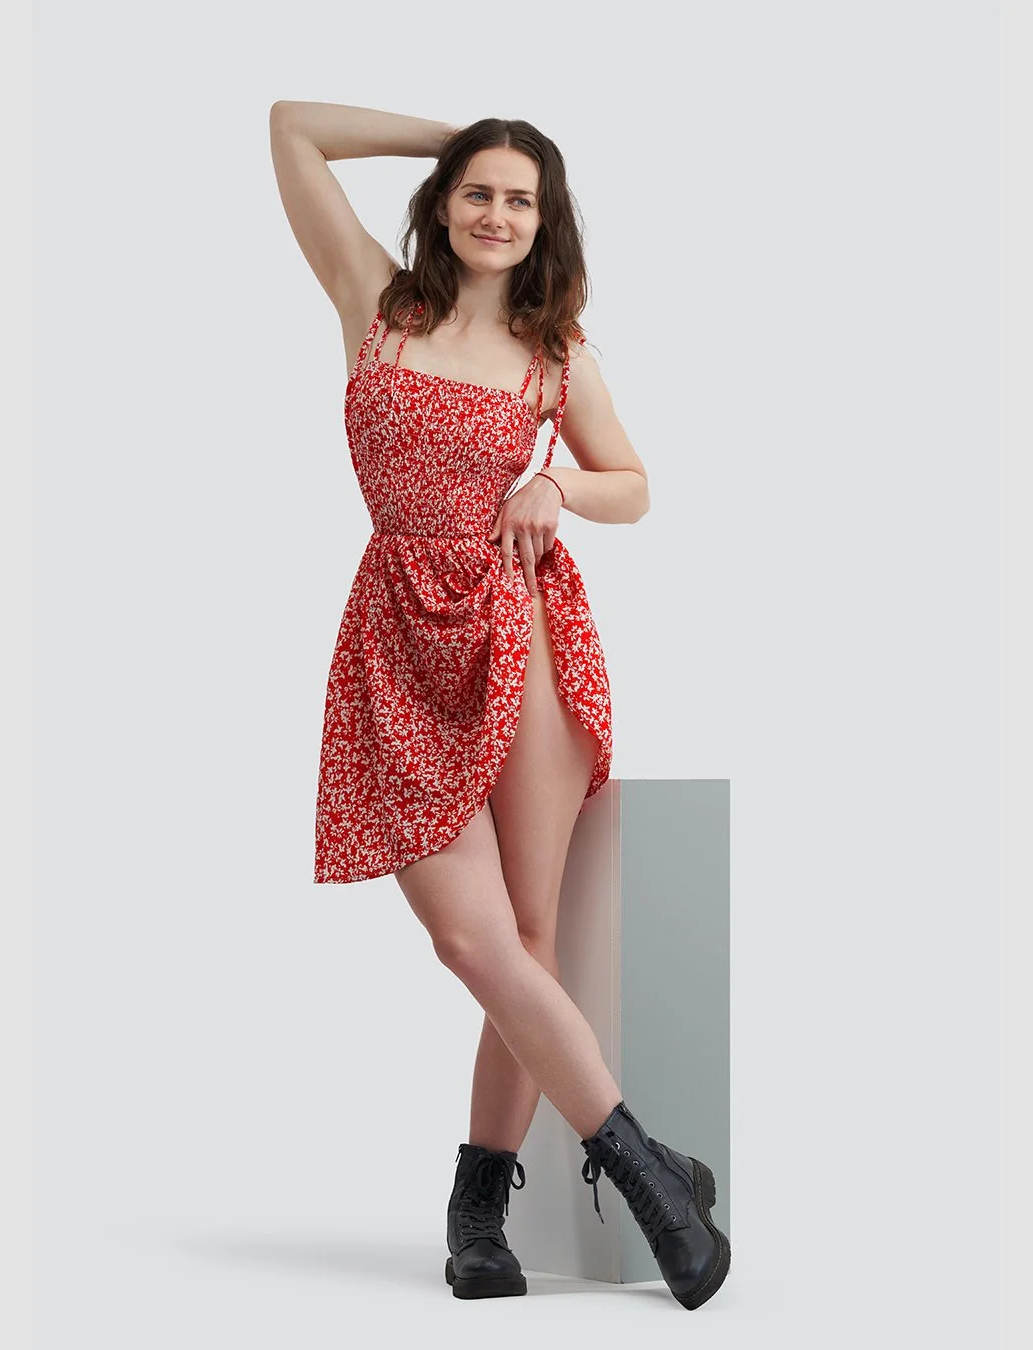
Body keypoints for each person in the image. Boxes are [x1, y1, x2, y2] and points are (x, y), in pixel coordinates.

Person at [268, 100, 730, 1310]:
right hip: (393, 636)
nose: (497, 212)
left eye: (521, 198)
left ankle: (480, 1213)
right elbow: (290, 129)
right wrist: (455, 133)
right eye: (479, 189)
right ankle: (653, 1170)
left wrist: (563, 486)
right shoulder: (377, 300)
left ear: (546, 220)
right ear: (444, 201)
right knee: (466, 938)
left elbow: (637, 484)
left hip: (518, 626)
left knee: (523, 938)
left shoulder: (556, 349)